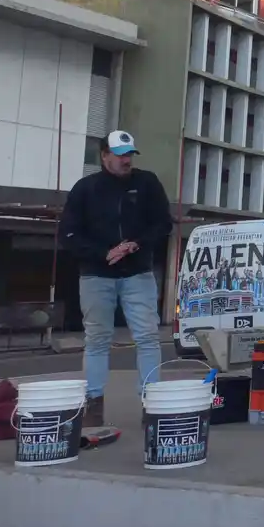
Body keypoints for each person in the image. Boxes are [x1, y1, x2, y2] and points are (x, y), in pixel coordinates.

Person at [59, 130, 173, 427]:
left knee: (148, 337)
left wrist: (135, 244)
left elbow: (163, 223)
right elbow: (69, 233)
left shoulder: (146, 183)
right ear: (105, 155)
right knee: (97, 339)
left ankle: (152, 401)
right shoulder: (85, 188)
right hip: (96, 274)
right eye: (120, 155)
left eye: (130, 155)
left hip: (138, 272)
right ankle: (94, 404)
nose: (126, 161)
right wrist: (103, 253)